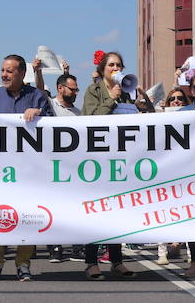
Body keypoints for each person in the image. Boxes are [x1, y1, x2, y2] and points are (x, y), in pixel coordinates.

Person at [0, 53, 51, 281]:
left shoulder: (37, 96)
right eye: (2, 70)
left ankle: (23, 264)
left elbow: (55, 127)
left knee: (27, 217)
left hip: (29, 172)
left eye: (9, 71)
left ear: (22, 73)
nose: (4, 75)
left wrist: (40, 114)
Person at [81, 51, 135, 280]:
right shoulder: (94, 91)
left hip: (120, 160)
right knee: (95, 214)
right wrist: (111, 98)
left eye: (119, 65)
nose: (115, 68)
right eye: (111, 65)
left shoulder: (128, 91)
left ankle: (116, 261)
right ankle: (91, 262)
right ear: (103, 69)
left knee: (117, 212)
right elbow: (90, 120)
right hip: (97, 160)